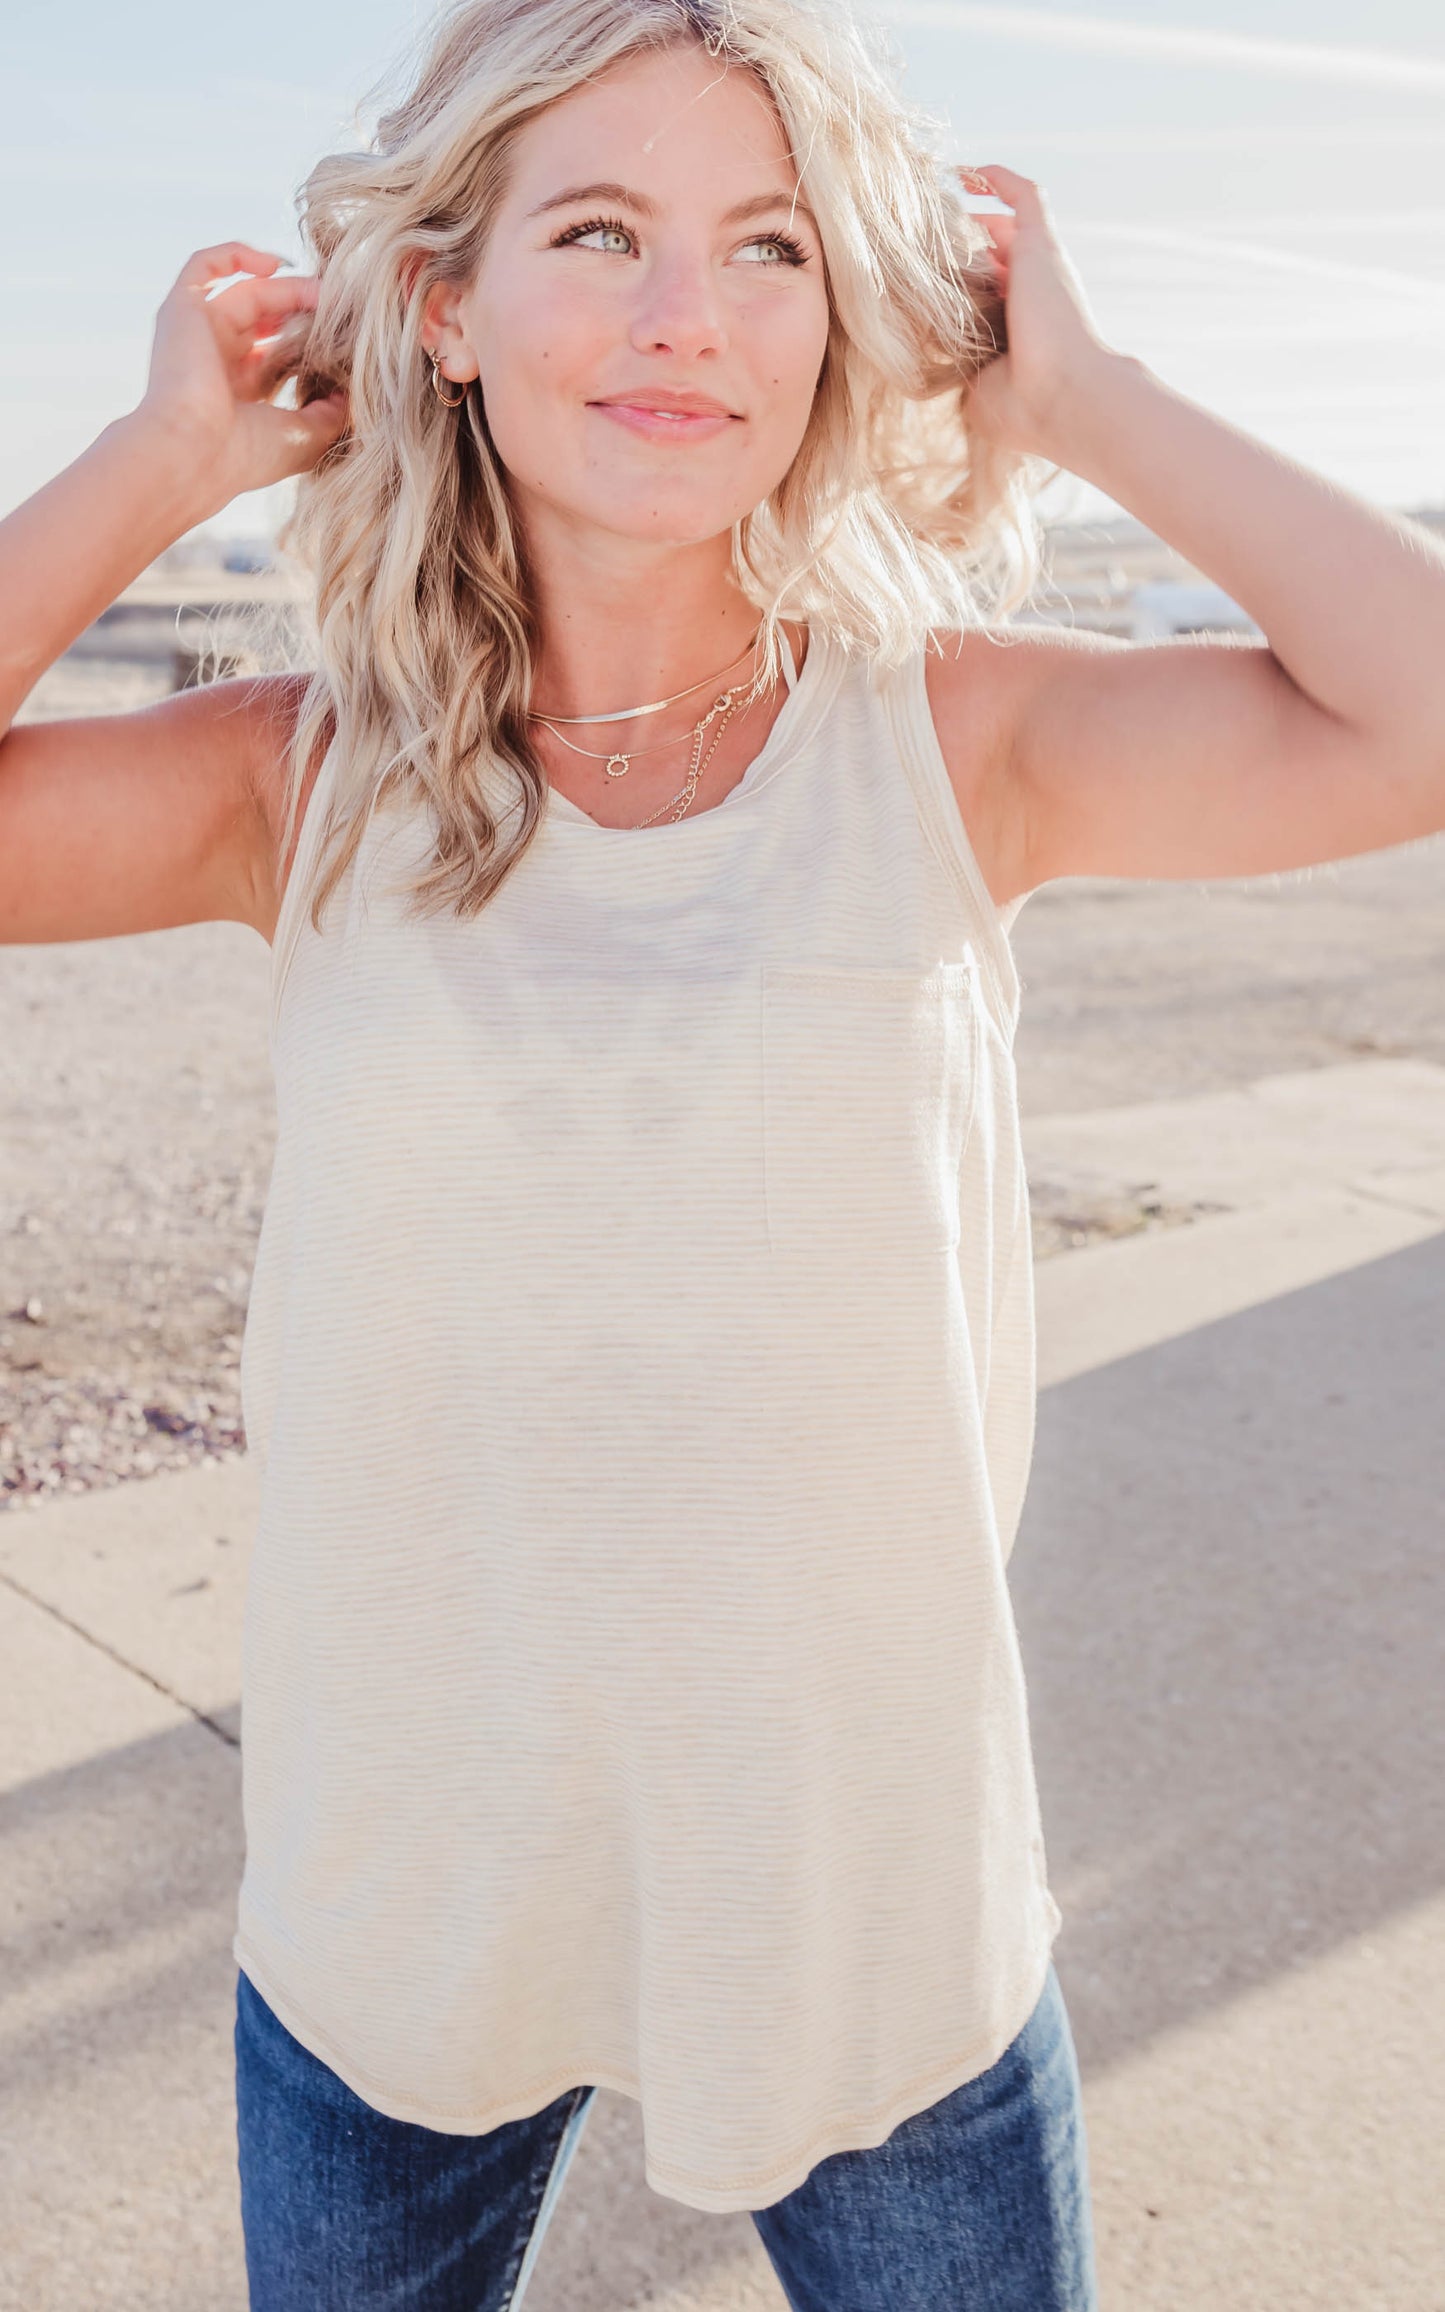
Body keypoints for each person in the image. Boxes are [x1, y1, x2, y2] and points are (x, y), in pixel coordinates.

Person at [3, 0, 1444, 2301]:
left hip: (875, 1930)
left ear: (844, 321)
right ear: (447, 310)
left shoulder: (955, 740)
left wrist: (1077, 399)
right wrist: (161, 458)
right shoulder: (306, 777)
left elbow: (1422, 710)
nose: (691, 318)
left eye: (771, 246)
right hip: (403, 1918)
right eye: (603, 230)